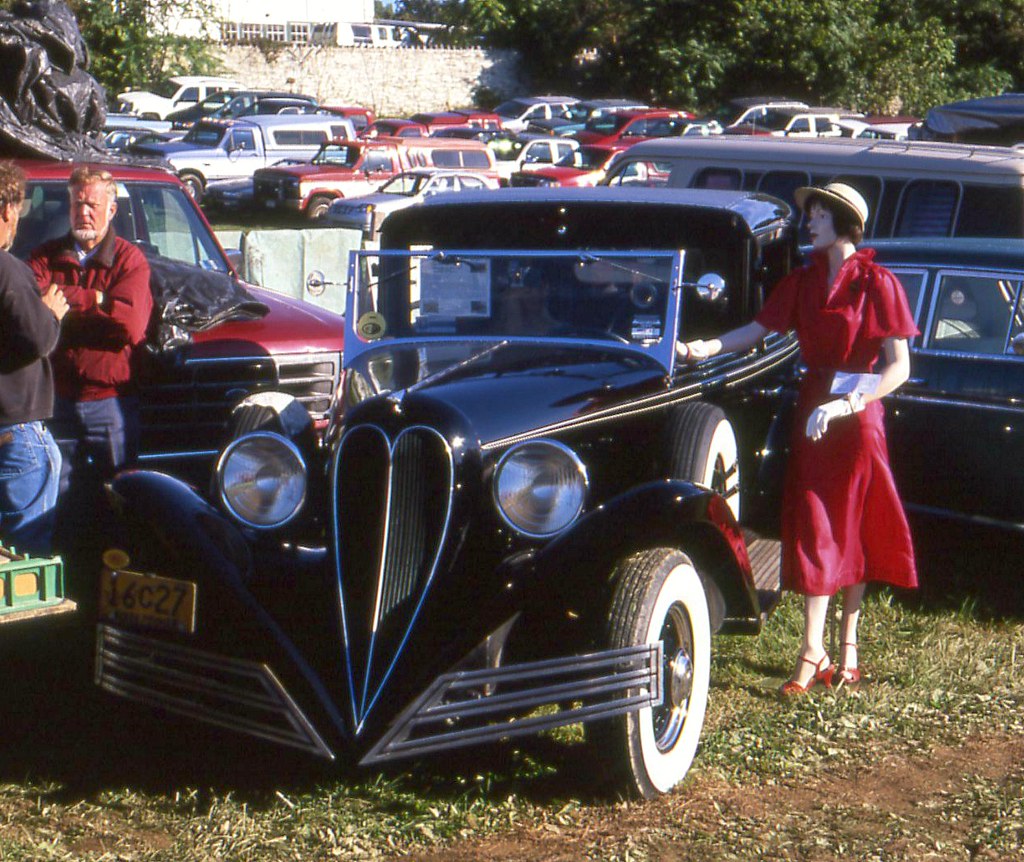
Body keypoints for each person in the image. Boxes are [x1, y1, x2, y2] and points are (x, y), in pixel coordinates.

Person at [677, 182, 918, 694]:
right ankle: (813, 649)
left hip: (857, 416)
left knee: (855, 525)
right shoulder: (803, 281)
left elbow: (899, 368)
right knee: (814, 526)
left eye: (819, 215)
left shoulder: (878, 283)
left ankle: (846, 648)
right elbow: (756, 330)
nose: (808, 222)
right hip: (812, 412)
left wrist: (850, 403)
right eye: (809, 214)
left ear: (845, 223)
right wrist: (705, 348)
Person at [27, 165, 152, 536]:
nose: (84, 212)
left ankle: (119, 575)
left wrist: (63, 305)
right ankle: (65, 576)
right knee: (55, 501)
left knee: (122, 497)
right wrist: (100, 300)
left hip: (111, 406)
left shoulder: (131, 261)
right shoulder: (45, 256)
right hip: (57, 401)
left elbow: (130, 326)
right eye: (78, 204)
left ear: (112, 210)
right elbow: (28, 303)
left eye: (93, 205)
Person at [0, 161, 69, 555]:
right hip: (18, 434)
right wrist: (51, 312)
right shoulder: (9, 271)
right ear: (9, 209)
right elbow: (39, 338)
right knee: (23, 561)